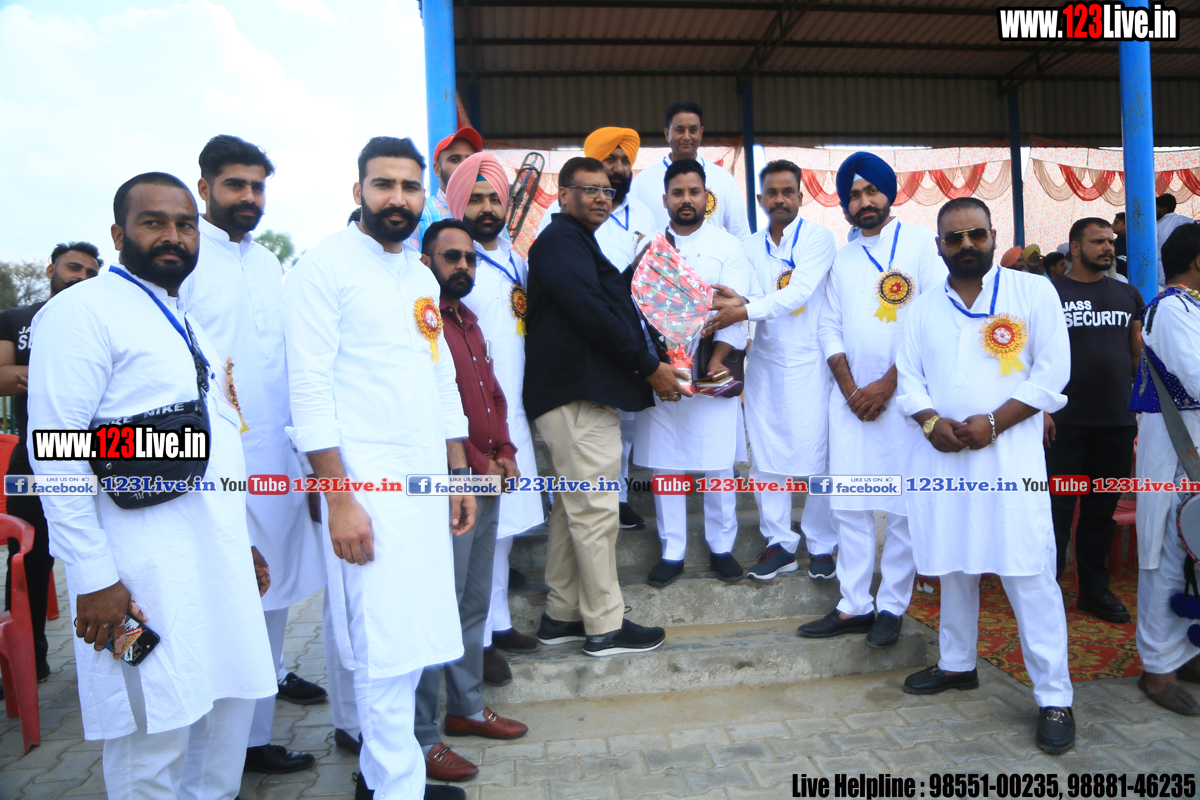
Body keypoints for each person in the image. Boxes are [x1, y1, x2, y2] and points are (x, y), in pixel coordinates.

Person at [29, 172, 277, 799]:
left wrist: (240, 541)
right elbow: (56, 451)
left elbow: (212, 444)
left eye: (185, 224)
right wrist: (93, 577)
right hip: (140, 574)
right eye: (153, 222)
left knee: (226, 715)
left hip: (215, 561)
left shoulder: (184, 318)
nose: (173, 236)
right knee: (153, 735)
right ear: (118, 235)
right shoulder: (80, 313)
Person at [283, 136, 474, 800]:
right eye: (384, 184)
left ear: (425, 197)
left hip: (423, 483)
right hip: (365, 487)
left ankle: (393, 777)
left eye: (410, 187)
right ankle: (394, 787)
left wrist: (456, 472)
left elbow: (440, 376)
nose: (398, 198)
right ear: (357, 191)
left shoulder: (419, 276)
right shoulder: (321, 268)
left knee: (415, 635)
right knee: (381, 643)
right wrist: (339, 498)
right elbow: (307, 390)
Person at [897, 196, 1075, 754]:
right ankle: (957, 664)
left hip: (1010, 461)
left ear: (994, 236)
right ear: (939, 247)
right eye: (954, 238)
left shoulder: (1032, 292)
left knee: (1028, 571)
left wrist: (995, 423)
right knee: (954, 562)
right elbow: (909, 379)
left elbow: (1053, 372)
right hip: (944, 458)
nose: (966, 245)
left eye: (976, 234)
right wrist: (930, 422)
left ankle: (1054, 696)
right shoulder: (921, 308)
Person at [179, 135, 327, 775]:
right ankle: (206, 760)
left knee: (272, 601)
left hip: (277, 461)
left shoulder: (269, 263)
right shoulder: (186, 260)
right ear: (205, 186)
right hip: (212, 463)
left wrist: (310, 466)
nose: (248, 197)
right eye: (235, 184)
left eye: (257, 186)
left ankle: (253, 742)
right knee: (222, 609)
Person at [525, 156, 682, 655]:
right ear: (562, 194)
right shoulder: (559, 241)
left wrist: (643, 269)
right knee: (596, 512)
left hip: (576, 396)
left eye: (607, 191)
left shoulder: (576, 242)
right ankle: (605, 626)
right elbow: (592, 311)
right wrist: (648, 365)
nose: (600, 198)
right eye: (589, 189)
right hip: (576, 398)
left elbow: (607, 296)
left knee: (572, 511)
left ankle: (562, 615)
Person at [801, 152, 945, 648]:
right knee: (849, 505)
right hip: (851, 403)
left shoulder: (922, 244)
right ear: (845, 205)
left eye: (871, 191)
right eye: (854, 195)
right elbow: (828, 326)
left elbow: (934, 318)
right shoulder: (842, 259)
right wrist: (851, 389)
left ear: (889, 193)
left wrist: (886, 386)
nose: (864, 201)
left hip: (907, 400)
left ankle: (892, 607)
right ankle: (854, 604)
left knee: (903, 509)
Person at [414, 219, 529, 782]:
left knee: (473, 601)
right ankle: (418, 735)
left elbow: (493, 396)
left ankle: (465, 707)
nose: (463, 265)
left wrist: (505, 451)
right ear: (426, 261)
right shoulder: (421, 320)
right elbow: (436, 405)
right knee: (436, 603)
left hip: (486, 477)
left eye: (469, 258)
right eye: (451, 257)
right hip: (449, 483)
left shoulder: (469, 320)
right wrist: (481, 465)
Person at [703, 160, 840, 581]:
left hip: (812, 363)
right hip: (765, 363)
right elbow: (746, 295)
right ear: (761, 199)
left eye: (788, 191)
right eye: (772, 193)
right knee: (766, 459)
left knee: (821, 458)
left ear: (801, 196)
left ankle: (821, 544)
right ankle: (780, 544)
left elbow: (796, 293)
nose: (780, 199)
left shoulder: (818, 238)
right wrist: (738, 303)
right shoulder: (746, 246)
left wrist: (742, 307)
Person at [444, 154, 544, 691]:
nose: (486, 208)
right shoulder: (455, 264)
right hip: (469, 421)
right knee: (477, 534)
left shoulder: (515, 258)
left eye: (494, 198)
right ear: (458, 203)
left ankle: (499, 622)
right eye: (476, 198)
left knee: (502, 531)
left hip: (511, 416)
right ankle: (475, 642)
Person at [633, 158, 750, 587]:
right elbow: (638, 306)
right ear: (665, 199)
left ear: (706, 197)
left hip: (713, 364)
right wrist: (659, 360)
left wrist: (717, 354)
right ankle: (673, 549)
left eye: (694, 192)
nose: (686, 199)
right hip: (662, 370)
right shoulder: (649, 248)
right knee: (666, 465)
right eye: (678, 193)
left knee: (718, 463)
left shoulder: (727, 245)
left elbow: (735, 305)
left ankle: (722, 546)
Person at [537, 127, 658, 530]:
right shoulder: (558, 222)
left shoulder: (643, 213)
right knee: (580, 438)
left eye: (624, 161)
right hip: (583, 346)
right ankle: (569, 500)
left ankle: (618, 497)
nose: (618, 168)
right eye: (610, 160)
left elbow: (638, 276)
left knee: (625, 426)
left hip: (627, 336)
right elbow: (580, 296)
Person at [0, 241, 100, 686]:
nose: (81, 277)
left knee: (107, 558)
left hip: (99, 458)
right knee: (28, 562)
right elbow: (1, 376)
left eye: (90, 272)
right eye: (73, 267)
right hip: (32, 461)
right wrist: (58, 377)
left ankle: (126, 655)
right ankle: (29, 663)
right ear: (51, 270)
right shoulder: (16, 319)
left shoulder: (100, 317)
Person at [1046, 217, 1144, 624]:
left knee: (1101, 512)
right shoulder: (1049, 293)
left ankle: (1093, 591)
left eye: (1110, 241)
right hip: (1062, 425)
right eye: (1099, 241)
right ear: (1074, 247)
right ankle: (1045, 591)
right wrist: (1041, 410)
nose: (1108, 247)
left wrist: (1140, 407)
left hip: (1116, 423)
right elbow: (1029, 355)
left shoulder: (1128, 294)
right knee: (1056, 510)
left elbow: (1136, 353)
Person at [1132, 222, 1200, 716]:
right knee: (1166, 554)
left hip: (1191, 448)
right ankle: (1157, 671)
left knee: (1193, 555)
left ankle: (1186, 654)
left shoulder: (1189, 308)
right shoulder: (1171, 309)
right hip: (1174, 453)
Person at [629, 101, 749, 238]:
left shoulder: (723, 178)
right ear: (667, 134)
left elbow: (741, 234)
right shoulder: (642, 181)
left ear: (701, 133)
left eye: (692, 130)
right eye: (680, 130)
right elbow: (632, 234)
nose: (686, 137)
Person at [412, 126, 483, 251]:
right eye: (455, 159)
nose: (465, 165)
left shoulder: (489, 213)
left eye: (471, 160)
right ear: (437, 169)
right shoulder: (421, 215)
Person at [1156, 193, 1191, 290]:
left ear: (1163, 209)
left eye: (1156, 208)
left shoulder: (1156, 225)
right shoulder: (1189, 221)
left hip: (1161, 273)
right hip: (1186, 272)